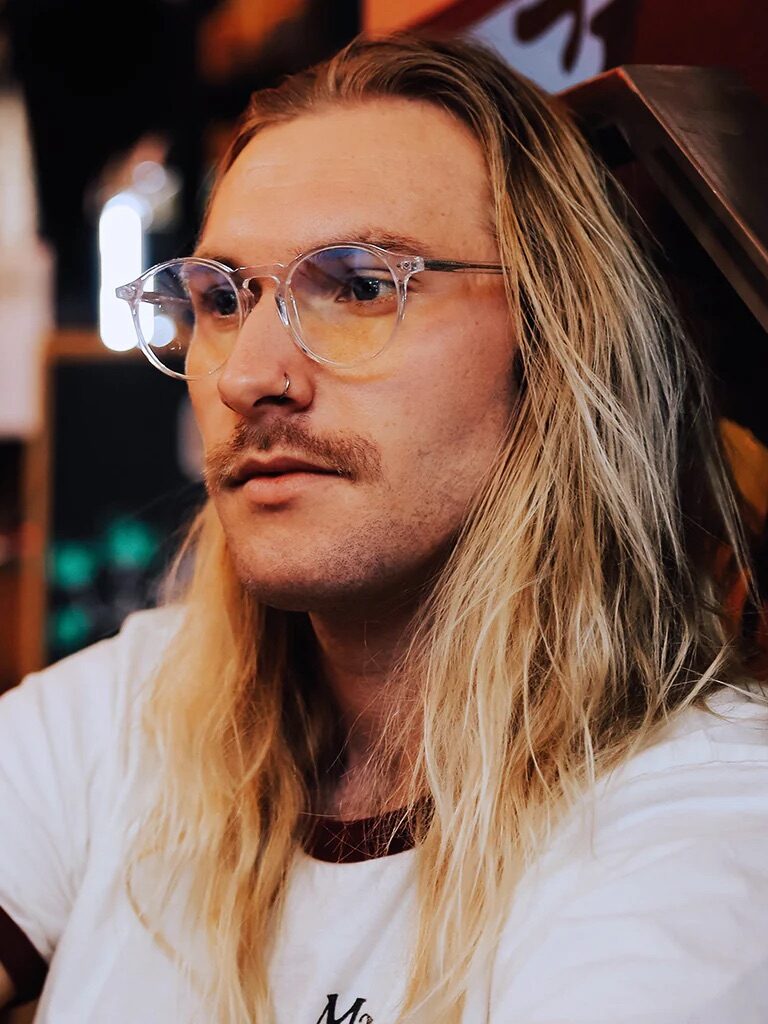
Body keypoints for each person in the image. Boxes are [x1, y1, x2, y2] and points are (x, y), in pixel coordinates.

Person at [1, 32, 767, 1024]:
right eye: (223, 299)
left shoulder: (699, 816)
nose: (247, 376)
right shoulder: (131, 716)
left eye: (361, 285)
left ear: (557, 339)